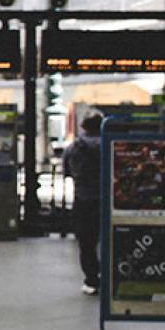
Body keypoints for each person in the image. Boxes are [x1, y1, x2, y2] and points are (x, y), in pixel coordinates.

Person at [62, 113, 103, 295]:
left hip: (83, 199)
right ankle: (110, 277)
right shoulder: (109, 144)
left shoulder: (73, 147)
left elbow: (67, 172)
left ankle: (91, 280)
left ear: (84, 127)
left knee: (87, 242)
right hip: (108, 200)